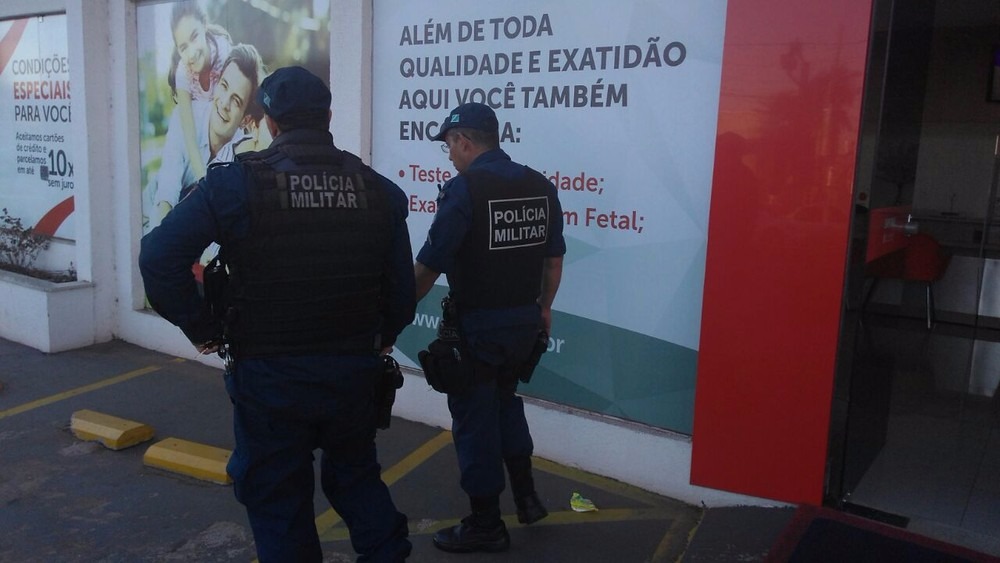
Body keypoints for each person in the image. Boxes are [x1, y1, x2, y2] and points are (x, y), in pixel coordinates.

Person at [139, 66, 416, 562]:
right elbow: (400, 294)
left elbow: (159, 257)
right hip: (352, 372)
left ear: (267, 121)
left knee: (278, 497)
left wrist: (203, 328)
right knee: (355, 477)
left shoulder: (235, 186)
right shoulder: (378, 192)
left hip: (269, 376)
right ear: (328, 117)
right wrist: (379, 338)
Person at [414, 102, 566, 553]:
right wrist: (543, 310)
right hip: (523, 322)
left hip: (479, 329)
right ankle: (526, 495)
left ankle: (485, 524)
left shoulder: (464, 190)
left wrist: (396, 312)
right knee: (504, 403)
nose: (450, 157)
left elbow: (428, 266)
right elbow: (553, 260)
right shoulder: (539, 184)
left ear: (464, 140)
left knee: (475, 420)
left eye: (449, 148)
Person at [150, 43, 267, 231]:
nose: (224, 103)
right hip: (156, 210)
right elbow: (166, 191)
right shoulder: (186, 117)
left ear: (245, 120)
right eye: (224, 86)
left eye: (236, 101)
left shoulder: (243, 151)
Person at [168, 1, 233, 185]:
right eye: (183, 47)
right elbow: (188, 134)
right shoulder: (183, 71)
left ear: (204, 25)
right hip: (199, 142)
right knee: (178, 115)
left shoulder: (224, 52)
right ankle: (163, 197)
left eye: (194, 37)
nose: (191, 53)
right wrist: (203, 180)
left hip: (223, 136)